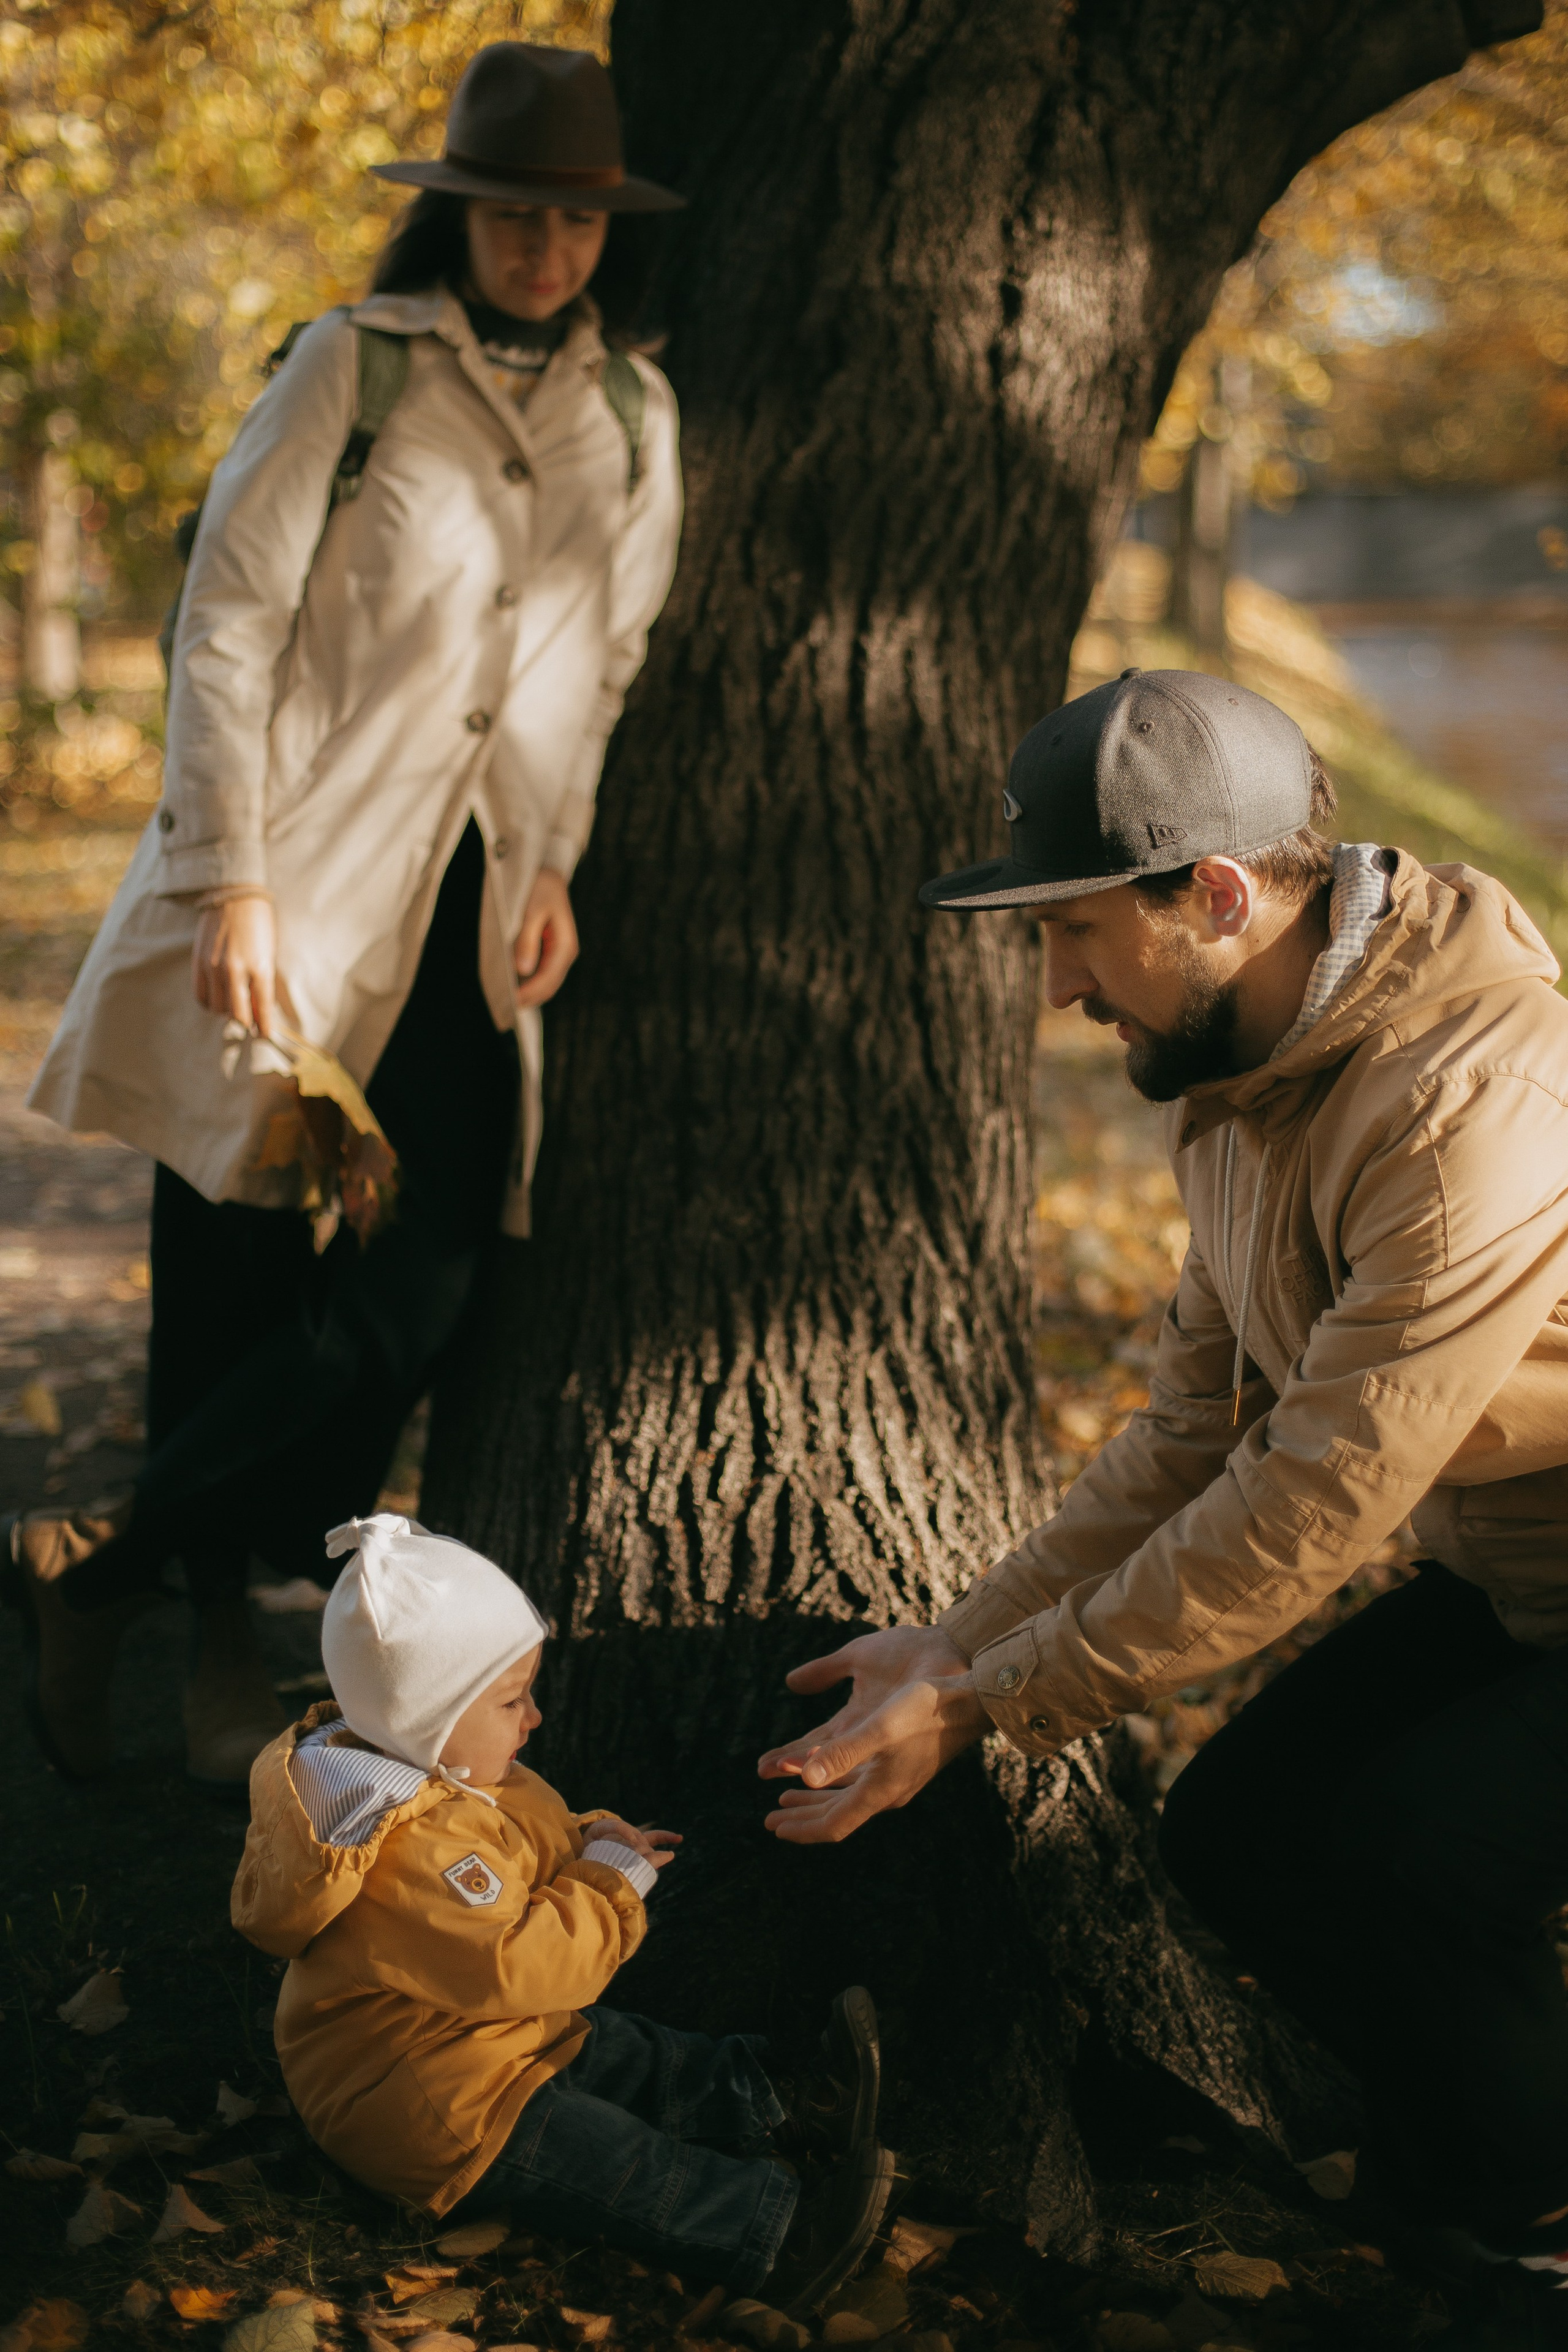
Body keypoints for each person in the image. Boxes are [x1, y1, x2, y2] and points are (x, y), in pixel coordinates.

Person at [756, 666, 1568, 2349]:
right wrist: (958, 1638)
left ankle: (1529, 2230)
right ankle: (1470, 2157)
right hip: (1520, 1573)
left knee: (1426, 1856)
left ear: (1217, 896)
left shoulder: (1477, 1093)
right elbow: (1190, 1433)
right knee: (1242, 1842)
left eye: (1075, 936)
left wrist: (997, 1703)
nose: (1055, 989)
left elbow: (1322, 1486)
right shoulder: (1246, 1075)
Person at [6, 44, 685, 1789]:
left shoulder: (631, 421)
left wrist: (549, 870)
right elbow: (224, 622)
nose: (543, 246)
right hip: (292, 894)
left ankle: (106, 1573)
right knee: (229, 1291)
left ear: (606, 229)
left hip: (473, 933)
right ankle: (214, 1655)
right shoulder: (354, 373)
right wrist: (225, 872)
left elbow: (597, 675)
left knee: (420, 1293)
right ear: (457, 215)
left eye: (572, 218)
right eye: (511, 212)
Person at [232, 1513, 895, 2312]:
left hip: (479, 2040)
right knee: (610, 2161)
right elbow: (523, 1964)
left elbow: (514, 1844)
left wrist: (588, 1838)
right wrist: (607, 1886)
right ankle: (776, 2236)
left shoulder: (448, 1774)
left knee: (629, 2054)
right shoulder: (407, 1850)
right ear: (431, 1719)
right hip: (426, 2106)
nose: (536, 1717)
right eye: (514, 1699)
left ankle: (781, 2097)